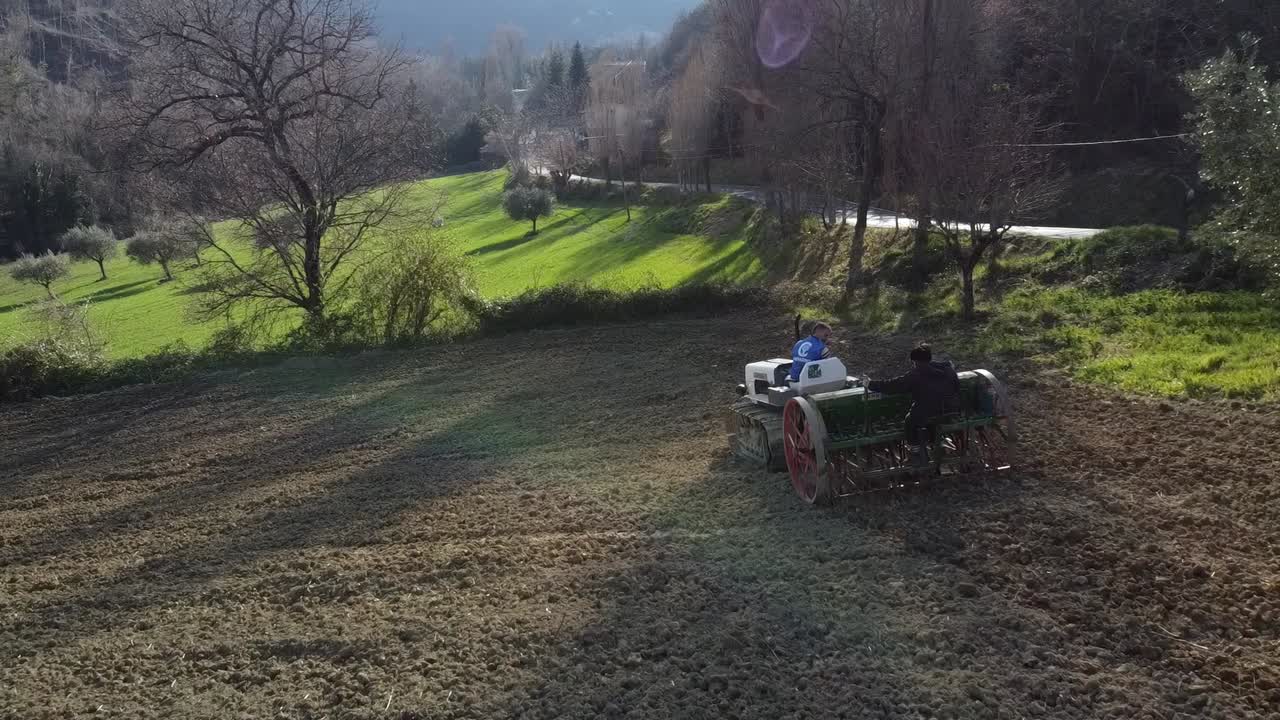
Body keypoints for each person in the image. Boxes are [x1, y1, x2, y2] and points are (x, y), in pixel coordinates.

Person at [866, 343, 960, 448]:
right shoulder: (948, 370)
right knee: (933, 416)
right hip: (951, 409)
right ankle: (936, 439)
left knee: (910, 420)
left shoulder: (916, 374)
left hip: (927, 412)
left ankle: (914, 448)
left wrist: (870, 384)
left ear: (915, 361)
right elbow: (957, 387)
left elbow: (893, 386)